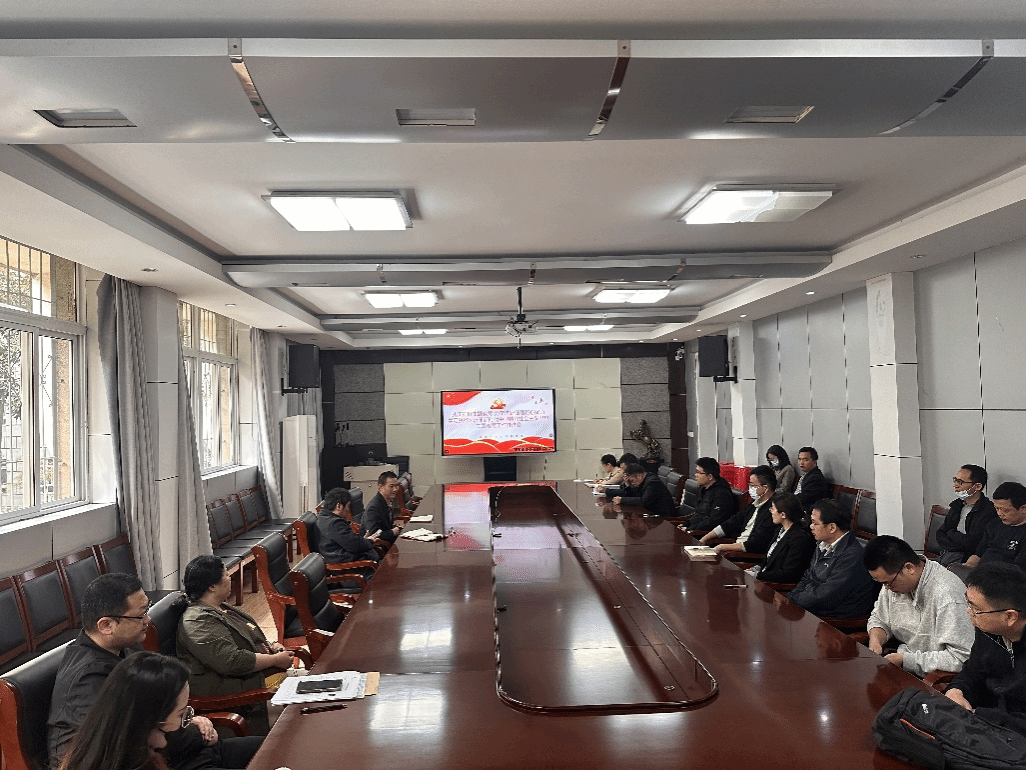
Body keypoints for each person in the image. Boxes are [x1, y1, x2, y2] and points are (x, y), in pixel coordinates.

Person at [48, 573, 261, 770]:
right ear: (106, 625)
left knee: (270, 747)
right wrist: (197, 732)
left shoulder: (125, 646)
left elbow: (156, 709)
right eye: (140, 615)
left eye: (147, 610)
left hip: (186, 750)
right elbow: (129, 743)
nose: (148, 621)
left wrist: (186, 719)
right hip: (165, 761)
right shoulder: (87, 681)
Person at [177, 556, 294, 710]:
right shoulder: (197, 621)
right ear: (212, 586)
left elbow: (247, 636)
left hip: (256, 676)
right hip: (237, 691)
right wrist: (275, 660)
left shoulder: (219, 607)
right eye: (226, 575)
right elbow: (231, 661)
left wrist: (271, 647)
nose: (230, 578)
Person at [56, 652, 192, 770]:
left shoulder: (93, 743)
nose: (187, 717)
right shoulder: (136, 763)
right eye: (181, 713)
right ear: (153, 719)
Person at [864, 535, 974, 678]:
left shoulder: (947, 594)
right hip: (901, 661)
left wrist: (906, 660)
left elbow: (961, 658)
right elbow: (879, 619)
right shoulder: (894, 583)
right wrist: (875, 641)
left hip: (931, 676)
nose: (886, 588)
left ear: (909, 568)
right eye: (882, 583)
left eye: (888, 583)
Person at [946, 562, 1026, 716]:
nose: (969, 611)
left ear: (1010, 617)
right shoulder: (989, 630)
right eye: (969, 604)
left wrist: (981, 715)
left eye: (976, 609)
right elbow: (973, 672)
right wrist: (956, 690)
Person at [788, 499, 878, 618]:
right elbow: (808, 577)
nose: (811, 526)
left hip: (836, 616)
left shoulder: (852, 555)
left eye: (815, 523)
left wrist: (794, 600)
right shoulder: (823, 544)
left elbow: (827, 595)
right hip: (814, 604)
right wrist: (791, 597)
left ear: (832, 528)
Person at [950, 481, 1026, 582]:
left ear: (1023, 508)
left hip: (1005, 581)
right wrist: (968, 566)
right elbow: (979, 553)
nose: (999, 513)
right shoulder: (994, 524)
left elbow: (1018, 571)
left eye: (1005, 510)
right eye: (997, 508)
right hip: (981, 575)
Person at [699, 465, 778, 555]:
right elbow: (733, 522)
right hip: (736, 547)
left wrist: (723, 547)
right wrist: (705, 538)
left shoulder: (773, 510)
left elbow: (756, 543)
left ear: (765, 488)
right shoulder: (754, 504)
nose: (750, 488)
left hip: (747, 554)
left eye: (753, 485)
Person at [937, 464, 997, 567]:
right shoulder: (957, 505)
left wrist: (951, 533)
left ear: (977, 486)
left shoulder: (988, 511)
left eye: (960, 482)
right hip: (947, 554)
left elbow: (972, 543)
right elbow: (940, 534)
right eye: (955, 480)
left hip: (966, 559)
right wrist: (954, 540)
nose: (955, 485)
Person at [747, 492, 815, 584]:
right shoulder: (779, 530)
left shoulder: (800, 539)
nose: (770, 511)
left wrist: (756, 575)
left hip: (774, 585)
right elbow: (768, 561)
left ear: (783, 514)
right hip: (764, 579)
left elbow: (788, 574)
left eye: (772, 509)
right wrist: (755, 569)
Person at [317, 486, 380, 567]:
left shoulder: (323, 518)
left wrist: (363, 541)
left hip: (338, 558)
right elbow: (354, 546)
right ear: (339, 506)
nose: (348, 510)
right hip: (343, 564)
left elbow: (350, 541)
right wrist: (370, 541)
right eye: (348, 506)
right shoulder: (335, 523)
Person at [685, 457, 738, 532]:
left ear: (710, 477)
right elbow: (699, 513)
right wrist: (686, 524)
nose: (696, 475)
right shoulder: (704, 489)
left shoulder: (722, 494)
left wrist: (690, 529)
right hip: (696, 528)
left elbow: (714, 521)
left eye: (699, 472)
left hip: (707, 533)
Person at [613, 463, 677, 517]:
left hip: (663, 517)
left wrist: (622, 500)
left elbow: (643, 501)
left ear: (638, 476)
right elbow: (635, 494)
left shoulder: (652, 482)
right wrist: (627, 484)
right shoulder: (644, 480)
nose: (632, 483)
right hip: (651, 513)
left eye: (632, 481)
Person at [360, 471, 403, 545]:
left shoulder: (389, 501)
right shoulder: (374, 507)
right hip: (378, 545)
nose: (395, 489)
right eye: (391, 486)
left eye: (396, 486)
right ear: (380, 487)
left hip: (389, 540)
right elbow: (374, 533)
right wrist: (392, 532)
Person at [793, 446, 831, 514]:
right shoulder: (807, 475)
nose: (801, 463)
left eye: (805, 460)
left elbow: (803, 498)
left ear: (814, 462)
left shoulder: (815, 478)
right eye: (800, 459)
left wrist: (788, 500)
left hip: (809, 512)